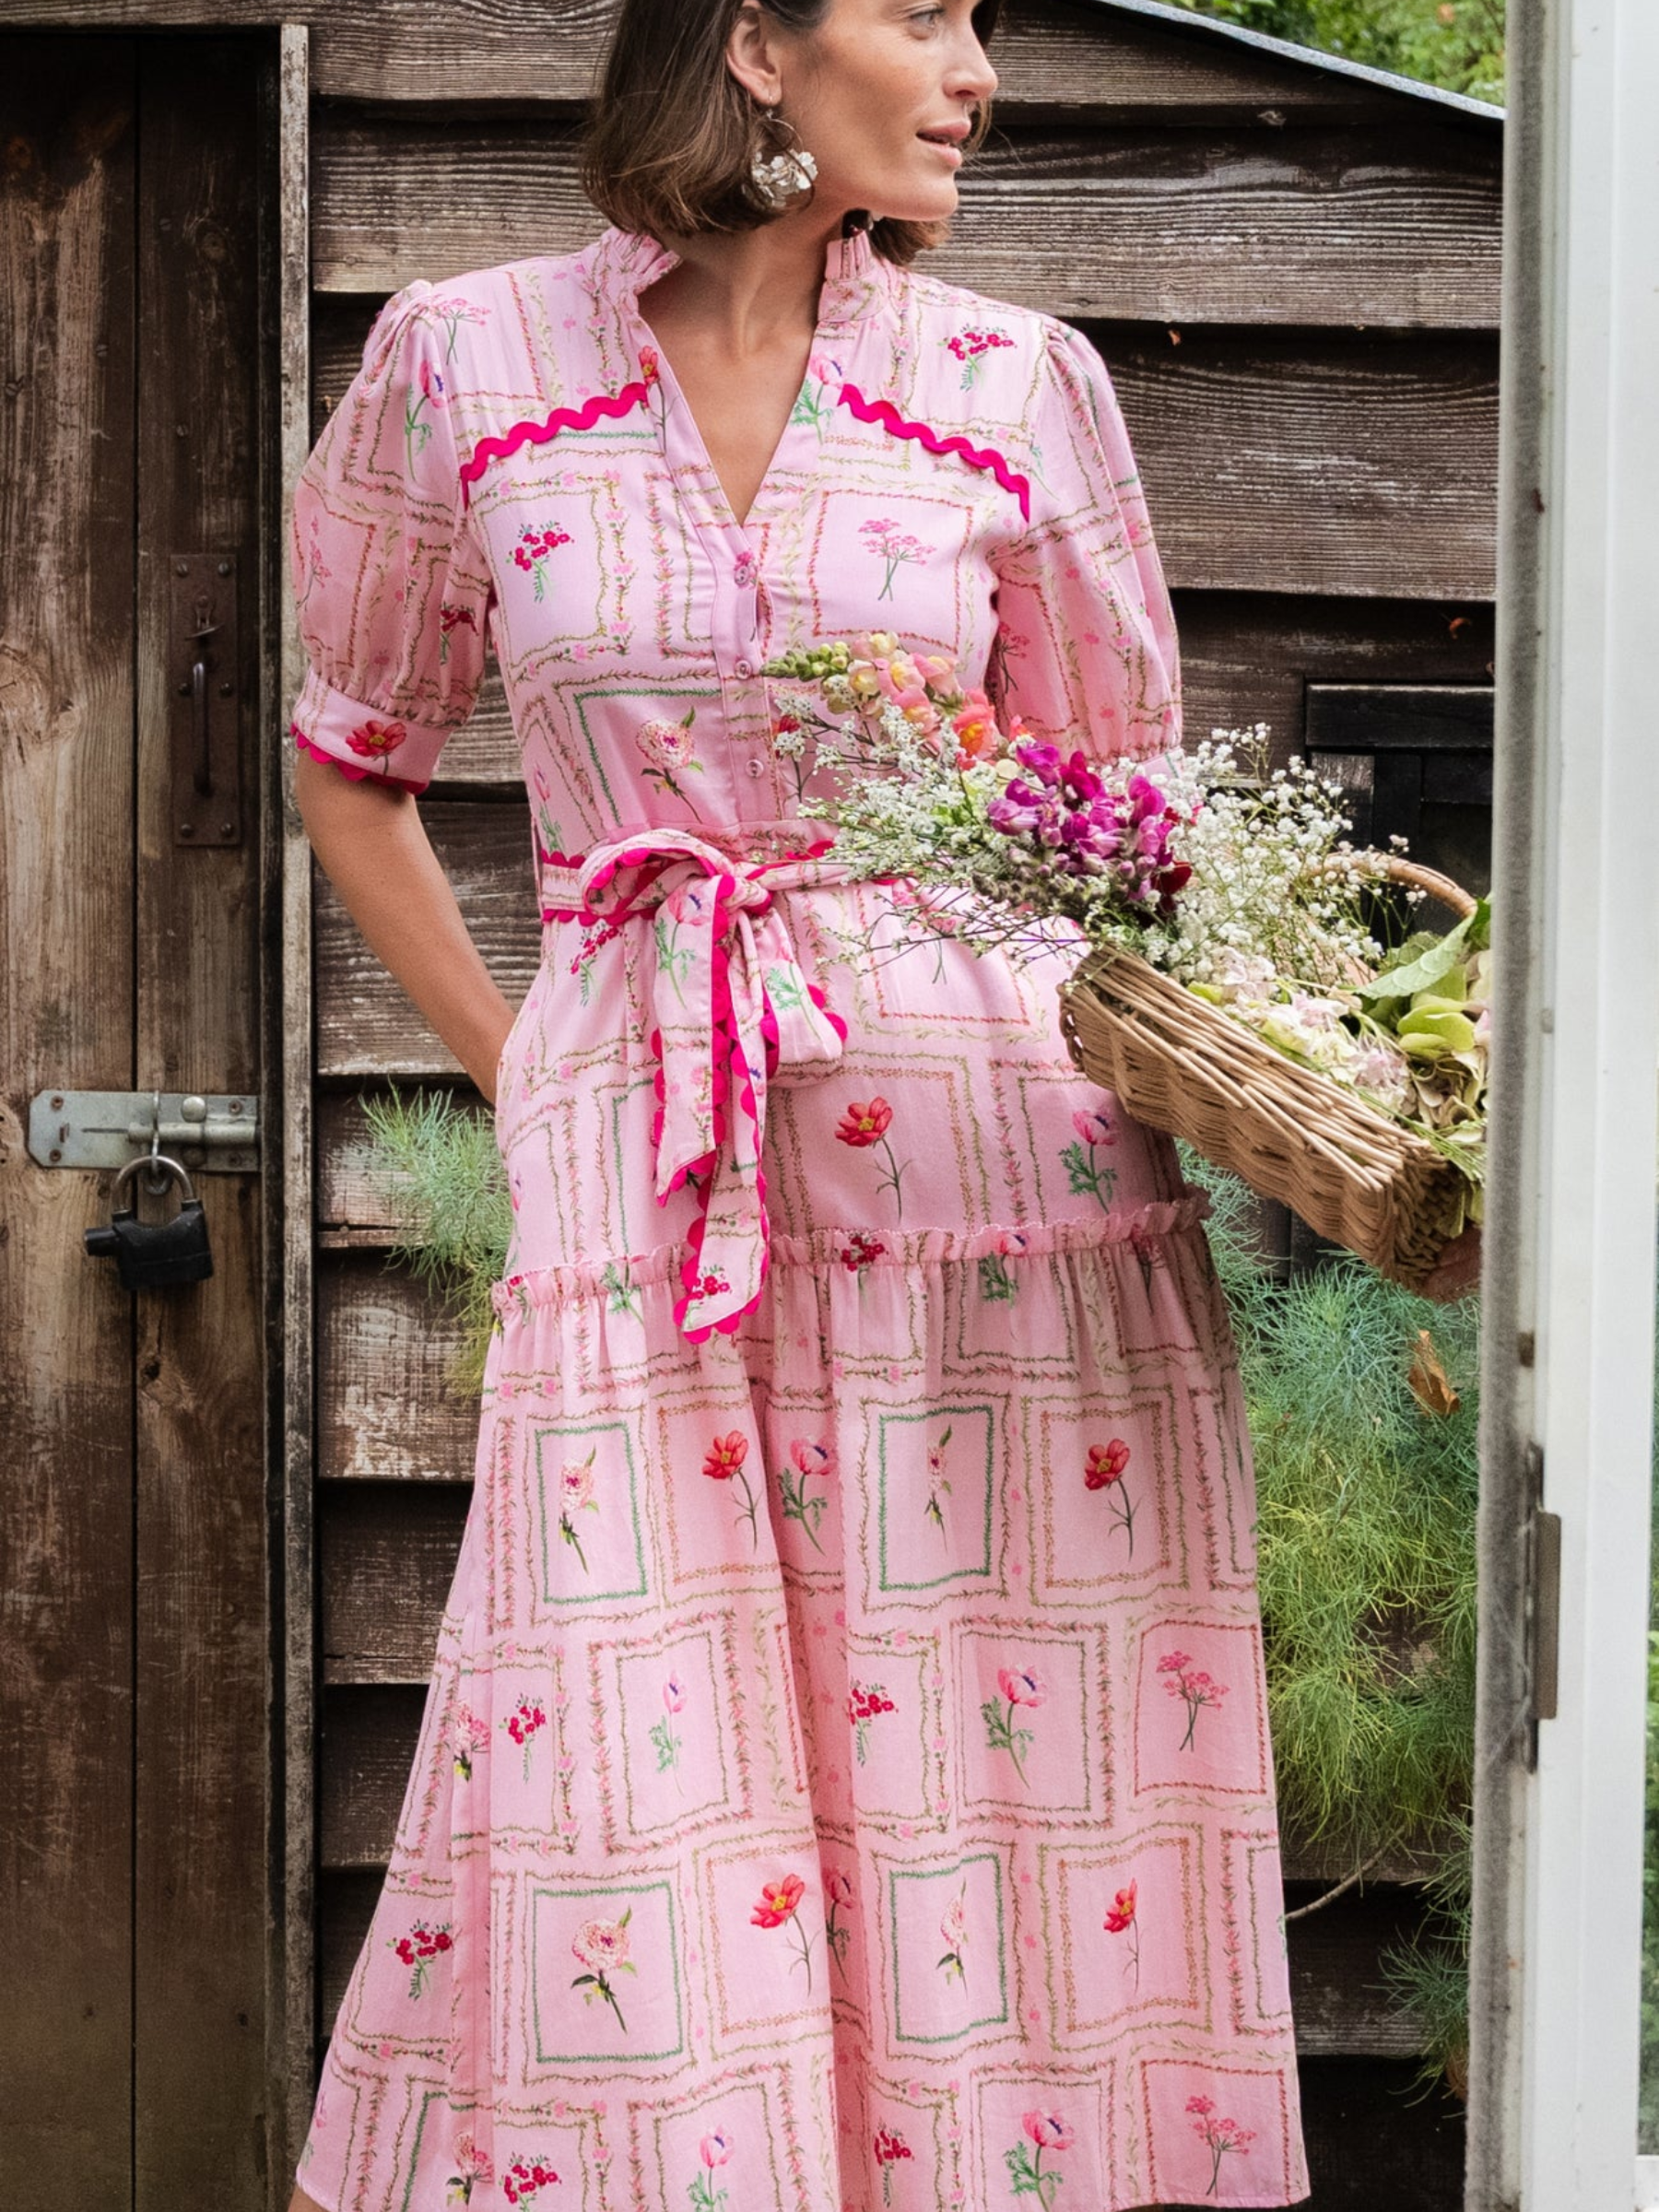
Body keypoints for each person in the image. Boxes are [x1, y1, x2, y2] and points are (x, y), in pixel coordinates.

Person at [285, 2, 1320, 2204]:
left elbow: (1124, 816)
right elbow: (349, 753)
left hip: (1007, 1202)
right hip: (644, 1189)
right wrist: (540, 1065)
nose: (976, 68)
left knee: (984, 1772)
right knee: (628, 1792)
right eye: (923, 11)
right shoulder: (463, 358)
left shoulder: (1016, 385)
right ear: (755, 38)